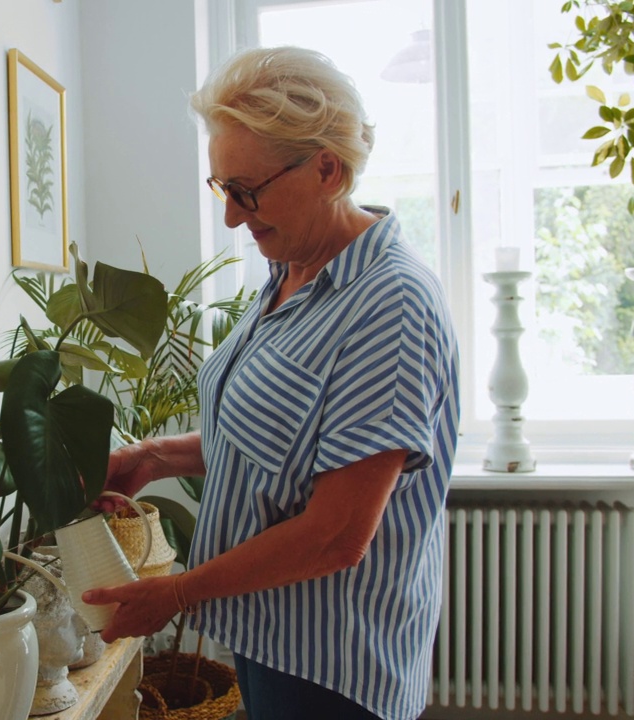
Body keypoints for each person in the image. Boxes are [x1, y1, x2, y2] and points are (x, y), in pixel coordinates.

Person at [81, 46, 460, 720]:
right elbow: (282, 439)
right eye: (223, 187)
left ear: (327, 168)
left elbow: (337, 532)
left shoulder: (390, 304)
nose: (232, 215)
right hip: (270, 636)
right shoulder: (292, 272)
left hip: (336, 665)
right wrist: (156, 457)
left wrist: (175, 595)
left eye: (247, 191)